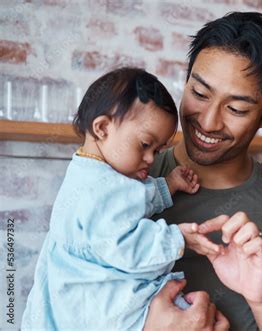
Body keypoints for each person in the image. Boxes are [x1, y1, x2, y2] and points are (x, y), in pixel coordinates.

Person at [21, 67, 229, 330]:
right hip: (98, 301)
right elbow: (124, 245)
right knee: (189, 312)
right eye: (145, 145)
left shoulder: (92, 173)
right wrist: (178, 238)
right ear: (103, 128)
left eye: (158, 149)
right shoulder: (100, 188)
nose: (152, 159)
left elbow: (128, 204)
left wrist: (168, 186)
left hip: (78, 296)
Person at [149, 12, 262, 330]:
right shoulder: (128, 182)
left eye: (236, 109)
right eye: (199, 94)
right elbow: (59, 304)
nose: (209, 122)